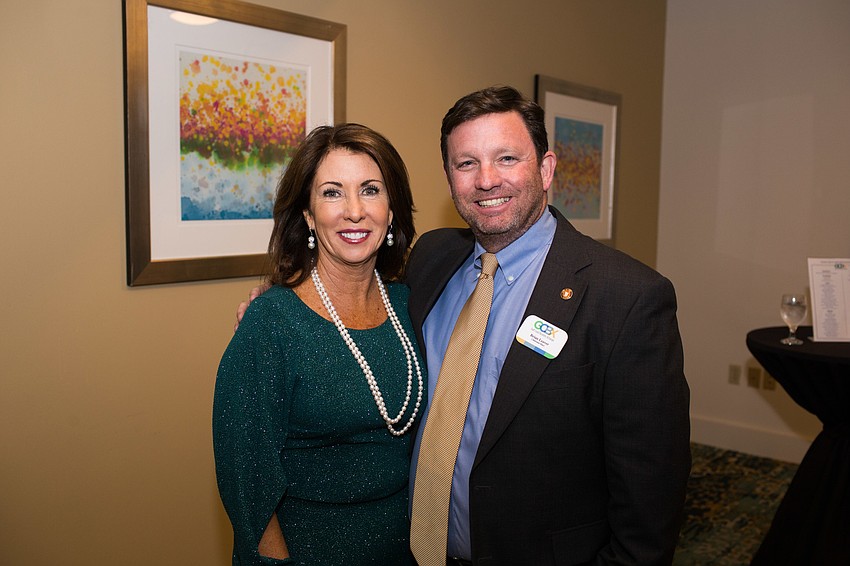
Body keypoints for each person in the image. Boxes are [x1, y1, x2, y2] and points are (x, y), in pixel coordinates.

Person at [237, 86, 691, 566]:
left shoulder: (627, 298)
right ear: (449, 178)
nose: (487, 180)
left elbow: (649, 510)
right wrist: (281, 298)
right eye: (466, 163)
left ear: (546, 167)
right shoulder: (433, 260)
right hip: (407, 552)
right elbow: (352, 302)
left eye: (507, 158)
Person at [214, 123, 426, 565]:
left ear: (391, 210)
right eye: (332, 192)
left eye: (370, 190)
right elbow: (247, 485)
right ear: (308, 215)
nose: (353, 211)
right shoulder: (270, 325)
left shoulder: (414, 306)